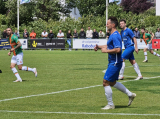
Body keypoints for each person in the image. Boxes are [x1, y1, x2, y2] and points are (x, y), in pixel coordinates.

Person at [94, 17, 136, 110]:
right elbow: (108, 45)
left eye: (108, 23)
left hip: (115, 63)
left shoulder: (116, 35)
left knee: (105, 82)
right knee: (112, 82)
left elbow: (118, 49)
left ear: (113, 25)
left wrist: (105, 51)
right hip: (113, 62)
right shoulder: (113, 35)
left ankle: (110, 104)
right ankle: (130, 94)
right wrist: (99, 46)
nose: (106, 25)